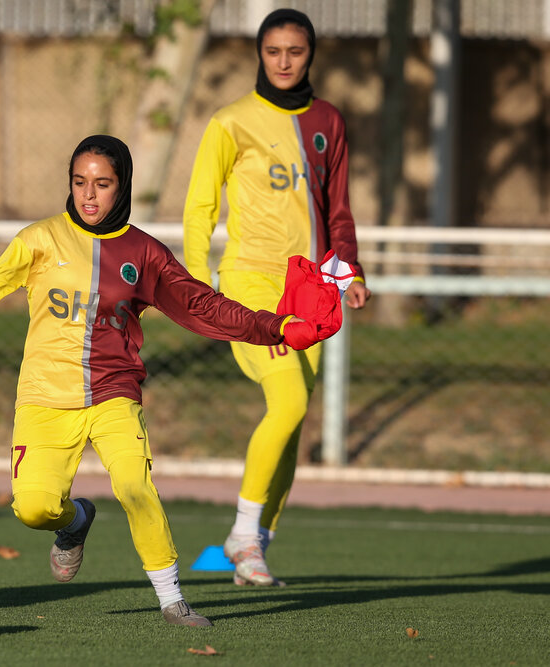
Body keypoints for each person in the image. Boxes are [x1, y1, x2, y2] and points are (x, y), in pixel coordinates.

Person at [0, 134, 341, 626]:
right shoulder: (39, 239)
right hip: (44, 399)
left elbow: (203, 305)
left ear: (123, 186)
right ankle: (76, 522)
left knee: (135, 486)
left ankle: (172, 598)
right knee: (32, 509)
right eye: (79, 182)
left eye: (102, 184)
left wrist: (275, 325)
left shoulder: (144, 253)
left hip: (115, 393)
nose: (89, 195)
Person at [182, 8, 371, 588]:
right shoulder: (231, 122)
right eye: (273, 51)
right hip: (250, 284)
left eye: (295, 51)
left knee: (294, 419)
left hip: (311, 290)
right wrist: (193, 285)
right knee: (287, 401)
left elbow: (336, 212)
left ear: (310, 54)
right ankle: (242, 533)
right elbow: (199, 209)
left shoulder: (328, 122)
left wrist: (348, 273)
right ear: (259, 55)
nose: (284, 61)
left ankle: (256, 545)